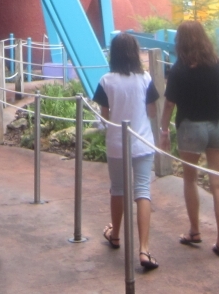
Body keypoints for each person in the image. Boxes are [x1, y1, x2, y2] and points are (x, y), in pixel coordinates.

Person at [159, 20, 219, 257]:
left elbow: (170, 102)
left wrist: (163, 130)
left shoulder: (180, 68)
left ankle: (195, 231)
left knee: (190, 179)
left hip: (191, 127)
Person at [93, 33, 161, 271]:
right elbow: (152, 111)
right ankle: (144, 249)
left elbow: (104, 114)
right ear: (134, 53)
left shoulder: (106, 81)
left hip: (117, 144)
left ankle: (116, 235)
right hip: (142, 142)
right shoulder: (145, 79)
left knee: (118, 189)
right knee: (142, 191)